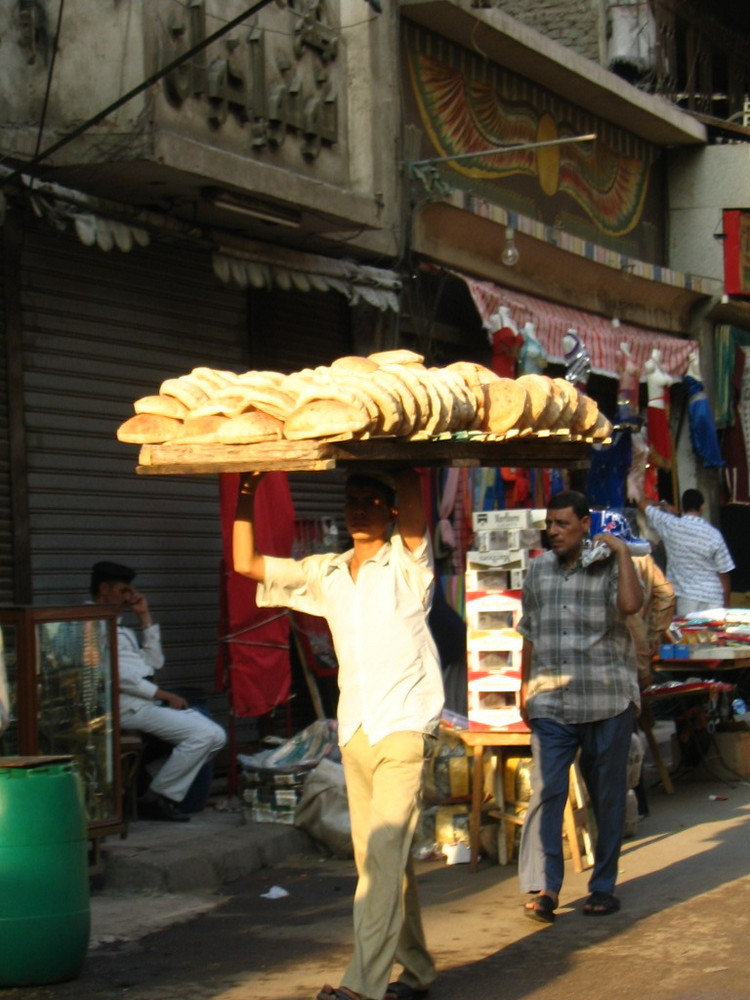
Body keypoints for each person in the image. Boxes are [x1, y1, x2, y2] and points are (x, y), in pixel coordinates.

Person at [233, 470, 444, 1000]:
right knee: (380, 860)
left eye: (371, 501)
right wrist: (245, 492)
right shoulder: (325, 572)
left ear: (392, 511)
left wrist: (403, 459)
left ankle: (362, 987)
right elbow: (245, 563)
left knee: (381, 857)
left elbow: (415, 503)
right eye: (351, 501)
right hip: (355, 732)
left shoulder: (407, 562)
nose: (359, 510)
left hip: (404, 727)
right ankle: (416, 971)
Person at [517, 491, 642, 923]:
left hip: (606, 699)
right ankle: (546, 888)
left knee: (605, 797)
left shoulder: (608, 566)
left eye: (563, 524)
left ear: (584, 524)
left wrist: (622, 552)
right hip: (551, 701)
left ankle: (602, 886)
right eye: (549, 524)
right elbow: (529, 631)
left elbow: (630, 605)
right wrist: (524, 687)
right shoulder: (537, 570)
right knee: (548, 791)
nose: (553, 531)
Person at [91, 561, 227, 822]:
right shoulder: (93, 624)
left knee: (217, 737)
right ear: (104, 589)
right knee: (202, 734)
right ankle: (159, 797)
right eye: (123, 591)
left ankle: (149, 780)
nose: (129, 598)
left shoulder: (122, 630)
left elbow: (155, 662)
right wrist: (163, 695)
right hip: (126, 706)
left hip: (144, 703)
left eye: (131, 592)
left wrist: (145, 617)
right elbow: (118, 677)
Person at [637, 489, 735, 615]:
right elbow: (724, 574)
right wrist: (726, 604)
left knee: (689, 633)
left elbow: (641, 503)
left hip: (687, 598)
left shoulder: (669, 524)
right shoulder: (714, 534)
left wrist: (663, 505)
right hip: (713, 596)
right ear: (702, 507)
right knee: (715, 634)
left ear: (682, 507)